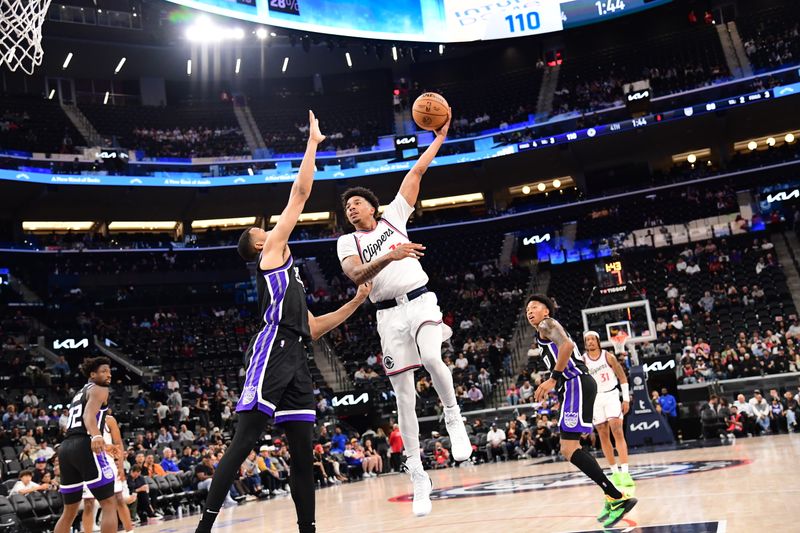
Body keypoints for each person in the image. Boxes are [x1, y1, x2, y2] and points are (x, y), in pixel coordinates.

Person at [195, 112, 371, 533]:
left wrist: (356, 302)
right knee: (243, 443)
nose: (271, 230)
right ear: (259, 244)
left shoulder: (290, 274)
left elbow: (312, 327)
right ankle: (204, 528)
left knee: (302, 452)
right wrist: (312, 144)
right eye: (263, 230)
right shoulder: (270, 254)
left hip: (296, 351)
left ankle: (307, 528)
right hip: (271, 347)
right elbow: (300, 193)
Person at [336, 110, 470, 517]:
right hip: (387, 317)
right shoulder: (346, 242)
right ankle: (418, 476)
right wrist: (390, 255)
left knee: (432, 358)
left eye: (357, 203)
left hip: (420, 300)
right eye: (347, 208)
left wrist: (439, 137)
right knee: (404, 399)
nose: (352, 210)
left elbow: (417, 170)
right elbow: (355, 274)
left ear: (373, 206)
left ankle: (453, 415)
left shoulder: (394, 215)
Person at [526, 295, 636, 528]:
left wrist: (553, 380)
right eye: (527, 308)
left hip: (574, 382)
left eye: (534, 307)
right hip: (573, 385)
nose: (530, 311)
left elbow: (566, 345)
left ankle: (616, 497)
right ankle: (612, 494)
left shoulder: (547, 324)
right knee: (569, 448)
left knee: (569, 448)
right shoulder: (542, 331)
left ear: (546, 311)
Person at [53, 357, 119, 533]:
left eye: (109, 371)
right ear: (92, 374)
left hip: (66, 448)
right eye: (103, 371)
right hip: (85, 445)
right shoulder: (100, 389)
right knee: (109, 503)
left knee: (69, 512)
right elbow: (88, 417)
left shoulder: (80, 392)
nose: (108, 374)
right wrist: (97, 435)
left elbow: (76, 425)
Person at [580, 331, 635, 505]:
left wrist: (625, 398)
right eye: (587, 340)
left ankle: (625, 471)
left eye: (592, 339)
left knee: (617, 430)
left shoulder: (608, 356)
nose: (590, 342)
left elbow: (622, 376)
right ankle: (614, 471)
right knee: (603, 434)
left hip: (611, 395)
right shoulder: (582, 360)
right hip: (595, 399)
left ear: (597, 341)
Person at [81, 413, 135, 533]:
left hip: (107, 464)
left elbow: (118, 443)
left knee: (119, 498)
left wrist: (120, 465)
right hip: (88, 464)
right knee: (88, 503)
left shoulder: (109, 420)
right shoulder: (82, 419)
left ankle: (130, 531)